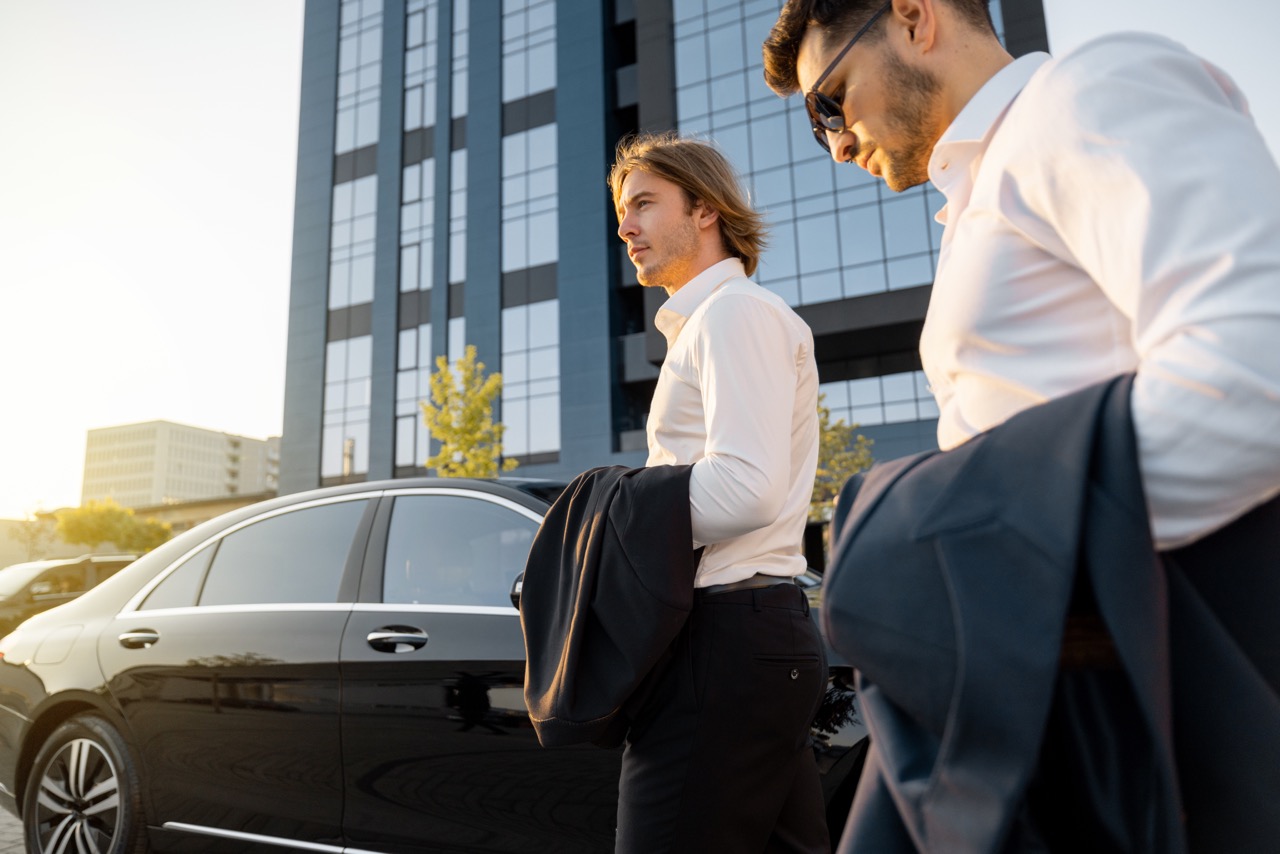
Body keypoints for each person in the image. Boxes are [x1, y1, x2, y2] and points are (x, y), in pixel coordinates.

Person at [762, 0, 1280, 849]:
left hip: (1116, 667)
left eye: (831, 99)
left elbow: (1258, 368)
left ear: (913, 17)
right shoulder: (977, 198)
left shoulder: (1088, 92)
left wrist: (982, 555)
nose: (837, 143)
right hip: (1022, 663)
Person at [606, 132, 829, 853]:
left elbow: (748, 490)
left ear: (704, 209)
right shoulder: (712, 322)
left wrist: (613, 523)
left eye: (643, 203)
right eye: (622, 210)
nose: (625, 226)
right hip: (747, 639)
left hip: (727, 642)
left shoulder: (733, 314)